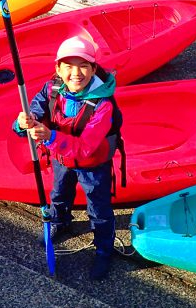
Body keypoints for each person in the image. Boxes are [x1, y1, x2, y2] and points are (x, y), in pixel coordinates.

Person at [14, 36, 122, 281]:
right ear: (58, 69)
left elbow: (85, 148)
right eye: (68, 66)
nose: (76, 73)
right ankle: (60, 221)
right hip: (62, 159)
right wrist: (23, 122)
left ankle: (104, 249)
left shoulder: (103, 104)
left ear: (94, 69)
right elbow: (35, 111)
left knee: (99, 207)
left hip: (92, 164)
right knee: (59, 193)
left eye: (83, 65)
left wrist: (50, 137)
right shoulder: (51, 88)